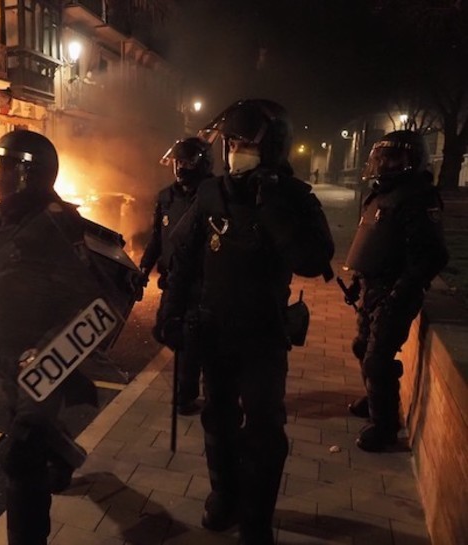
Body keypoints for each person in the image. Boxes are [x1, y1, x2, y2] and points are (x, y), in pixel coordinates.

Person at [155, 99, 334, 545]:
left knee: (263, 431)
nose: (236, 150)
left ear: (271, 147)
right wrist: (170, 312)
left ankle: (256, 518)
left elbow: (314, 259)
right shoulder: (211, 193)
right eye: (231, 142)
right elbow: (181, 257)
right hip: (214, 330)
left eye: (246, 143)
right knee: (216, 418)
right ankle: (225, 495)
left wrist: (272, 208)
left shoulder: (295, 197)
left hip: (263, 336)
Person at [0, 129, 108, 545]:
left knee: (21, 455)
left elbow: (85, 299)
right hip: (3, 354)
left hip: (44, 361)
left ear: (35, 176)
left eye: (10, 171)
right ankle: (64, 455)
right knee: (28, 432)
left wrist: (50, 349)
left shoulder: (57, 225)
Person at [342, 130, 449, 452]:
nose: (385, 164)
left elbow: (431, 256)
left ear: (412, 161)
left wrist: (398, 295)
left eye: (393, 158)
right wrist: (358, 280)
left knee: (378, 359)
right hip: (373, 287)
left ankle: (385, 426)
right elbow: (372, 240)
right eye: (381, 158)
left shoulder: (419, 196)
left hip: (397, 291)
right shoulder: (378, 194)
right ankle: (375, 401)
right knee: (362, 346)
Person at [140, 136, 214, 415]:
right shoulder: (166, 197)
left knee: (200, 339)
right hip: (172, 280)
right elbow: (156, 239)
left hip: (203, 281)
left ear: (203, 163)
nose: (181, 168)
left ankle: (198, 395)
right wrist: (143, 269)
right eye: (177, 162)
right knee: (172, 333)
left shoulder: (213, 195)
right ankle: (186, 392)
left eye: (188, 162)